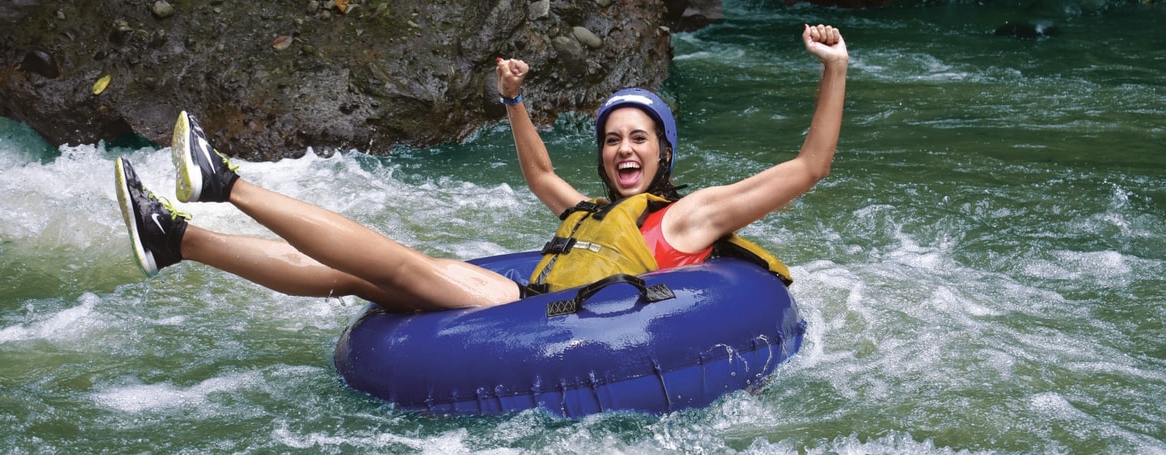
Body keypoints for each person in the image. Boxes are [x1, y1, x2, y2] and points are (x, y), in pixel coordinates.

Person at [116, 24, 847, 313]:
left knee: (399, 265)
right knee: (356, 273)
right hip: (528, 297)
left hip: (544, 320)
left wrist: (834, 69)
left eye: (639, 140)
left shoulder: (695, 214)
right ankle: (178, 240)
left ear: (663, 153)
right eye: (612, 139)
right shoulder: (591, 216)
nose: (623, 150)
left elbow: (811, 165)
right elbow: (539, 177)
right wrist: (515, 100)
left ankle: (226, 184)